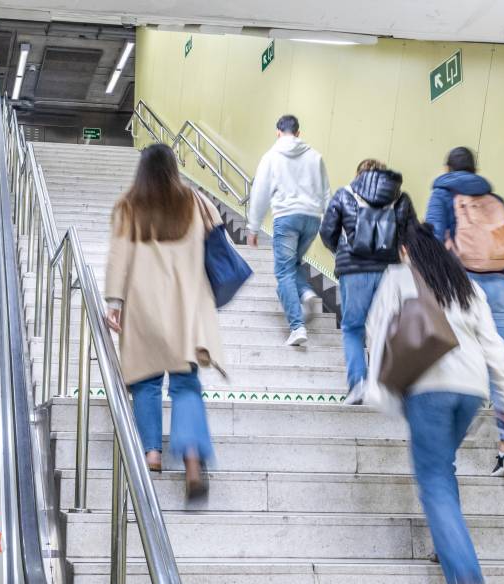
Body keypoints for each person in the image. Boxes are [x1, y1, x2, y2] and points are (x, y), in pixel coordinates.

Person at [365, 217, 504, 584]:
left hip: (429, 386)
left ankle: (461, 570)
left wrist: (376, 388)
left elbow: (378, 328)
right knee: (443, 467)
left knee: (432, 477)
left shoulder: (398, 278)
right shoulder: (465, 284)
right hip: (470, 390)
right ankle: (445, 546)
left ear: (405, 250)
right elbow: (494, 343)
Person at [105, 143, 224, 499]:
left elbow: (118, 255)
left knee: (146, 382)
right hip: (186, 307)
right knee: (186, 386)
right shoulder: (195, 201)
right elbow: (217, 233)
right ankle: (190, 461)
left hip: (144, 307)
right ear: (174, 168)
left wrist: (114, 300)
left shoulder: (130, 205)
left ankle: (153, 453)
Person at [425, 146, 504, 477]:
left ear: (447, 167)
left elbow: (434, 240)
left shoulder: (442, 193)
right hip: (498, 288)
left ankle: (448, 437)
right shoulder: (491, 197)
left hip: (464, 285)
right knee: (499, 366)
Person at [320, 159, 415, 405]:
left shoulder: (345, 194)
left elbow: (327, 232)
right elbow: (411, 236)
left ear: (359, 175)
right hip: (389, 272)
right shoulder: (401, 199)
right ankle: (387, 385)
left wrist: (342, 251)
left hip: (353, 271)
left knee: (353, 328)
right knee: (387, 330)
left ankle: (358, 384)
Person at [245, 114, 330, 347]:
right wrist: (329, 223)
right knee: (294, 264)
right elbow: (326, 192)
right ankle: (306, 293)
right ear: (299, 133)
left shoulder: (271, 157)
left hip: (287, 218)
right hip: (312, 219)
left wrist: (253, 227)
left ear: (278, 132)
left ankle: (297, 327)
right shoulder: (315, 156)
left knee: (283, 272)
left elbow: (260, 193)